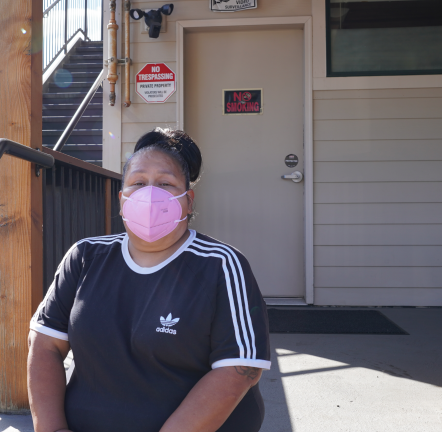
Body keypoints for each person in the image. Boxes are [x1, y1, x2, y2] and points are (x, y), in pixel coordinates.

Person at [27, 128, 271, 432]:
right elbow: (45, 344)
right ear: (121, 199)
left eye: (165, 184)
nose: (150, 194)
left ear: (188, 200)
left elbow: (241, 369)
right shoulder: (84, 256)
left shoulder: (221, 265)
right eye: (138, 183)